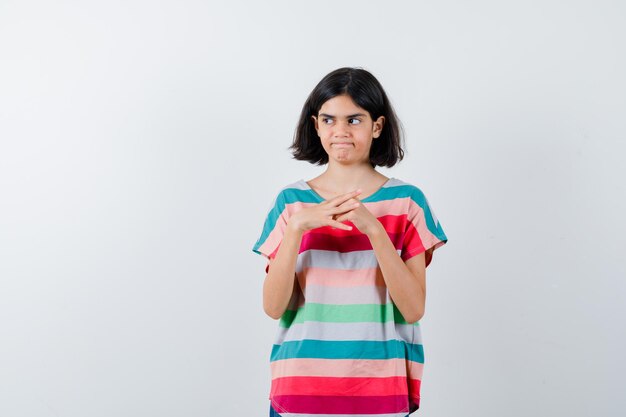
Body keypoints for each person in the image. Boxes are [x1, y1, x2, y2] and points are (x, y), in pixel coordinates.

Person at [252, 67, 448, 417]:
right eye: (329, 119)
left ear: (377, 126)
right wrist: (297, 228)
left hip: (380, 392)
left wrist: (375, 231)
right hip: (300, 391)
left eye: (354, 120)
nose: (340, 131)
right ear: (316, 125)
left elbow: (414, 308)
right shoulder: (290, 203)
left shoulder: (407, 202)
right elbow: (274, 307)